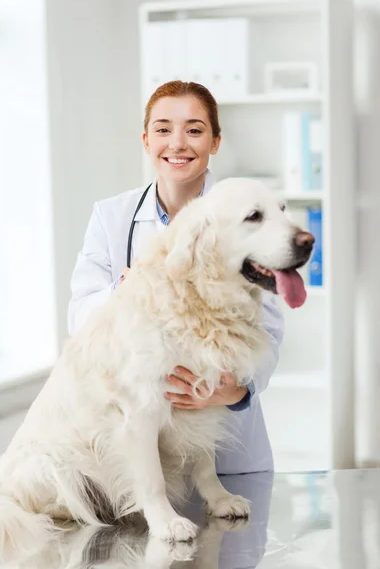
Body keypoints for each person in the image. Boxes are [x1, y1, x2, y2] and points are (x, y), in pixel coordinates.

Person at [68, 80, 284, 474]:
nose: (178, 143)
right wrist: (129, 291)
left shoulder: (249, 214)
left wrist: (236, 390)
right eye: (163, 129)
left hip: (225, 446)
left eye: (195, 130)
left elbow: (268, 324)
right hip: (143, 442)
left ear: (216, 141)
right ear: (147, 140)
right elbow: (81, 316)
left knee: (238, 532)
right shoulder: (111, 217)